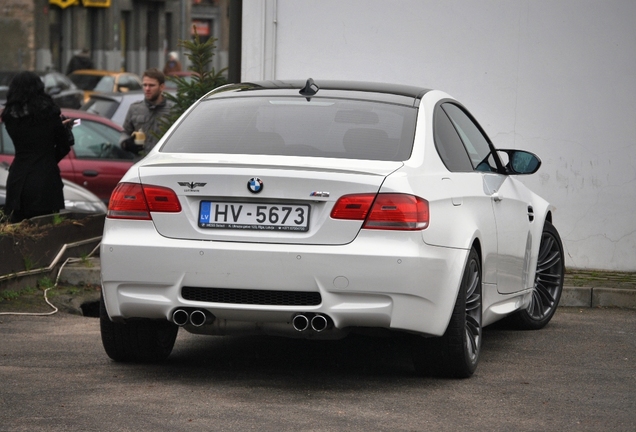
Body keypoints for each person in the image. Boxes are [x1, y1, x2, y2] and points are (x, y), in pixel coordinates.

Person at [1, 71, 74, 223]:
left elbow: (29, 134)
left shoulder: (9, 117)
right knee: (45, 234)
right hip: (45, 182)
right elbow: (62, 147)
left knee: (18, 234)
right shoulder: (50, 113)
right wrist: (63, 130)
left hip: (17, 181)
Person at [119, 68, 173, 155]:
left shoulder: (173, 109)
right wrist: (126, 144)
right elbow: (125, 132)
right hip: (141, 162)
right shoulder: (135, 109)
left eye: (151, 85)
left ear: (161, 87)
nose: (147, 89)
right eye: (144, 85)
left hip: (164, 162)